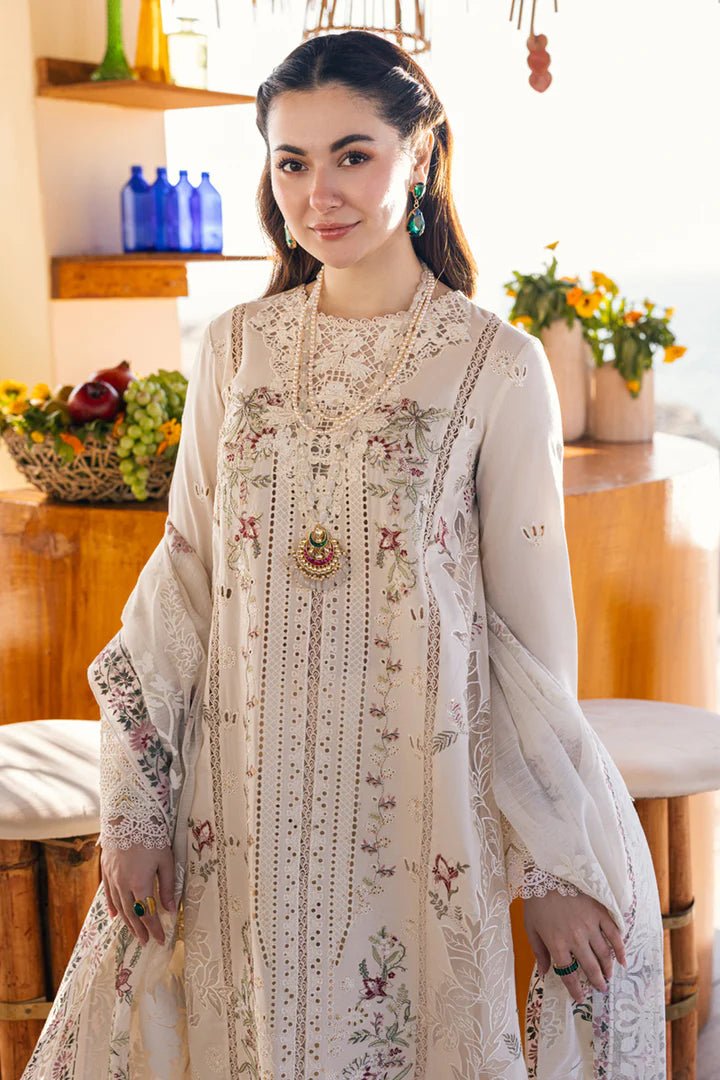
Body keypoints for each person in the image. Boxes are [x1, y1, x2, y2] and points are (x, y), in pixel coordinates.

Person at [22, 28, 665, 1080]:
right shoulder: (234, 348)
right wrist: (133, 806)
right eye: (291, 162)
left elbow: (532, 639)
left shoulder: (494, 369)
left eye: (353, 155)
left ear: (420, 157)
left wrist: (550, 860)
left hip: (417, 813)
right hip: (241, 807)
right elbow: (182, 578)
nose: (318, 192)